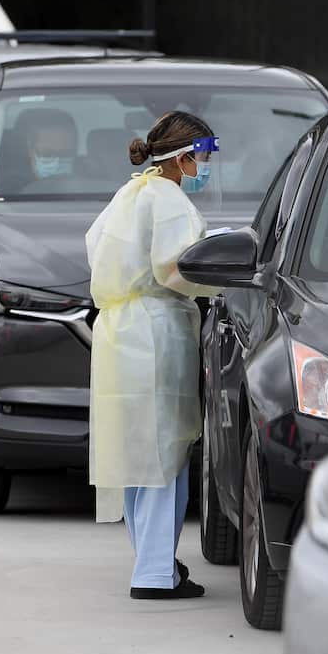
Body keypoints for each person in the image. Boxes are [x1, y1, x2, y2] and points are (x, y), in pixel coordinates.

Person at [85, 110, 221, 600]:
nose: (206, 166)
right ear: (183, 157)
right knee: (166, 453)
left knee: (136, 453)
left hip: (119, 332)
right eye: (203, 156)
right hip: (158, 331)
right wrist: (224, 285)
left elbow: (95, 247)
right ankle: (154, 574)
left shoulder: (132, 192)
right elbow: (174, 269)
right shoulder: (170, 202)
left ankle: (154, 560)